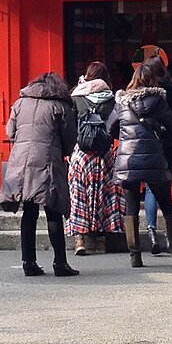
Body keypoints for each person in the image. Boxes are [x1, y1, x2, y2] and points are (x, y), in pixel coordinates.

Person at [109, 55, 172, 269]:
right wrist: (161, 136)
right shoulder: (158, 100)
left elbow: (110, 129)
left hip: (128, 160)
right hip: (154, 158)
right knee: (166, 206)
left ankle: (135, 256)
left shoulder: (121, 102)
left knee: (130, 208)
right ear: (153, 80)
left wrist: (126, 138)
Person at [0, 71, 79, 278]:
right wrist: (64, 152)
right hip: (48, 160)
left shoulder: (20, 103)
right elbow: (70, 138)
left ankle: (28, 263)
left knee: (29, 211)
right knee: (53, 210)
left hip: (21, 161)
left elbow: (10, 132)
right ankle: (60, 263)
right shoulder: (60, 106)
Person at [67, 60, 125, 257]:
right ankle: (101, 238)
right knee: (104, 194)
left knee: (79, 194)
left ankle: (79, 239)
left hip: (82, 154)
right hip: (104, 154)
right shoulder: (111, 98)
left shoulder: (76, 95)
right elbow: (116, 125)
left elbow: (69, 124)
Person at [137, 46, 172, 256]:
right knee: (166, 187)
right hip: (169, 146)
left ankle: (152, 231)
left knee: (149, 189)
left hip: (149, 146)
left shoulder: (139, 95)